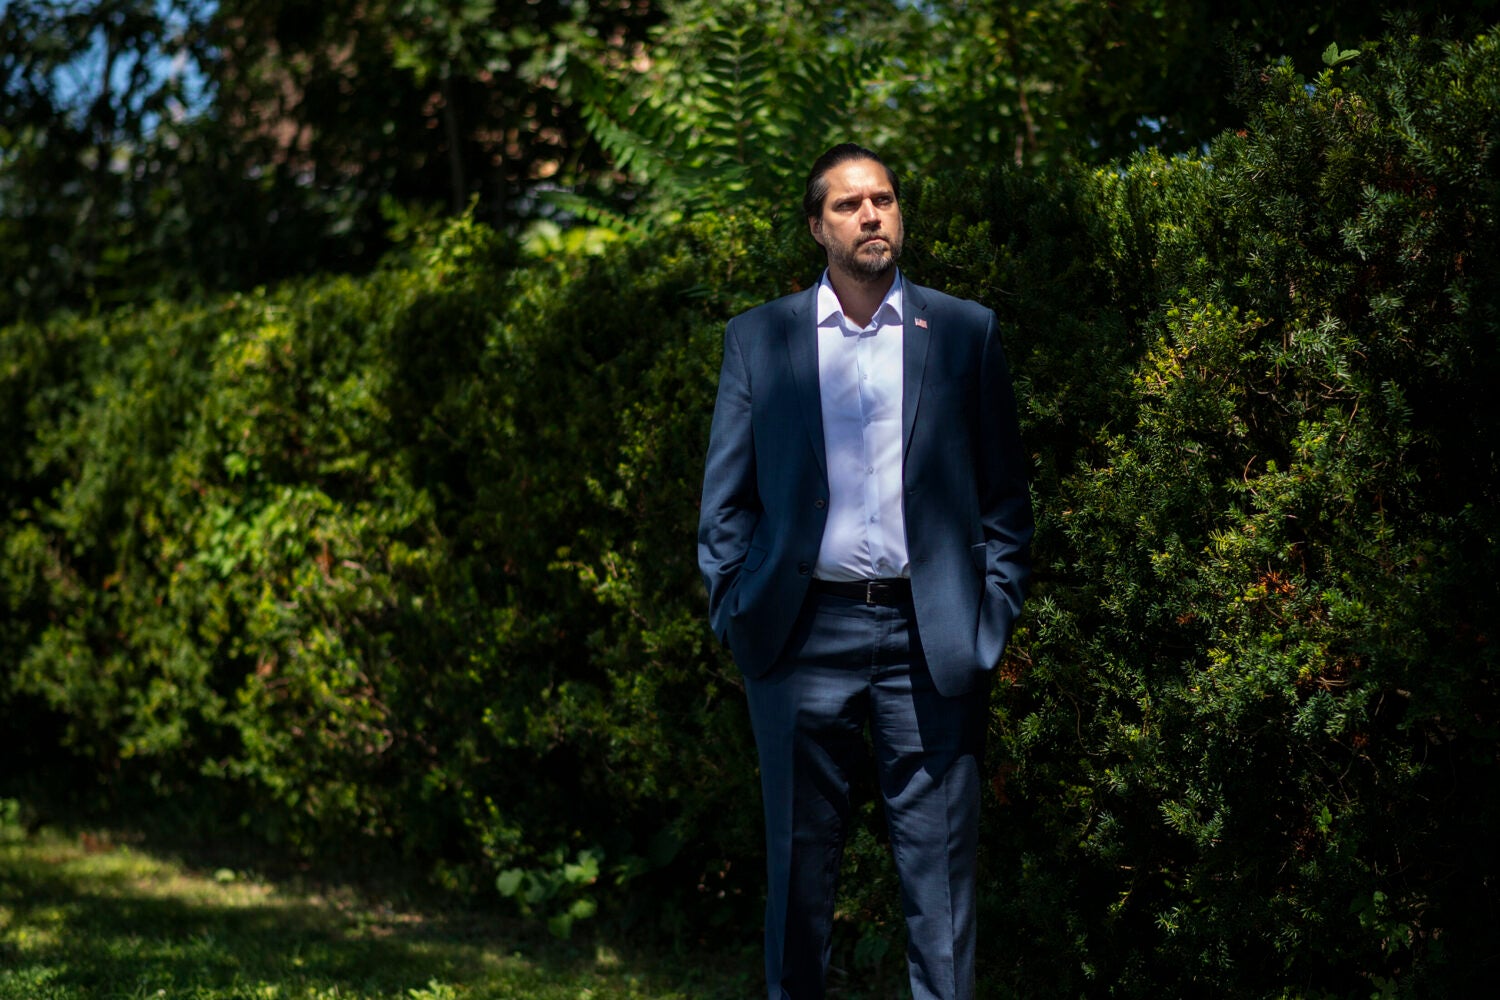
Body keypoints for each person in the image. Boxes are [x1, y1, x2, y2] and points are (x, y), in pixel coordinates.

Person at [697, 143, 1034, 1000]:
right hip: (801, 635)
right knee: (798, 882)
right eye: (848, 205)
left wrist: (988, 614)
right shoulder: (759, 339)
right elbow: (726, 503)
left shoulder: (963, 332)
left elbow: (1005, 499)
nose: (871, 215)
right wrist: (737, 609)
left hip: (932, 638)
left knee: (942, 890)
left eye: (882, 199)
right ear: (817, 227)